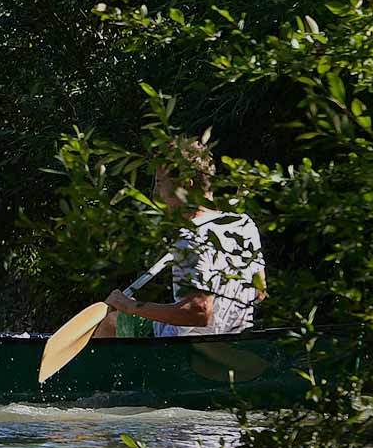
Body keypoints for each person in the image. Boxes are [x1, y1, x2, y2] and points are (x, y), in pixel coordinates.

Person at [94, 138, 265, 337]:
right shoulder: (243, 223)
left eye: (160, 183)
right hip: (237, 338)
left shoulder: (191, 239)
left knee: (110, 323)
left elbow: (199, 312)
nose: (157, 193)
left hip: (187, 349)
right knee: (115, 320)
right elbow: (259, 292)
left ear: (184, 183)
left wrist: (132, 306)